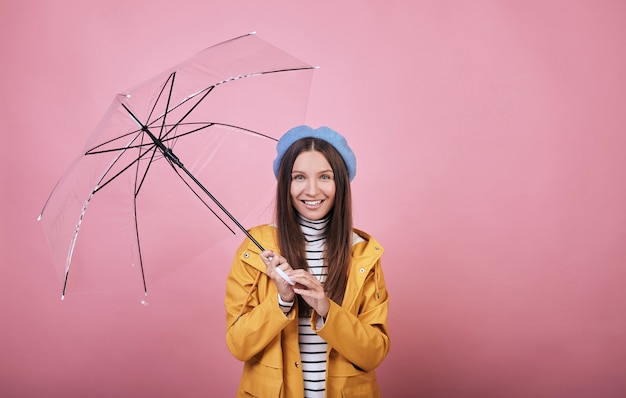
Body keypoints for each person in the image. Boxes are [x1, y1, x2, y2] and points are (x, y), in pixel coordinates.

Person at [225, 125, 390, 397]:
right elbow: (238, 345)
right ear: (285, 185)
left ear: (341, 183)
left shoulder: (362, 253)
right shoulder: (256, 251)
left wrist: (326, 309)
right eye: (299, 177)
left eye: (325, 176)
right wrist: (282, 300)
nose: (312, 190)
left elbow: (373, 354)